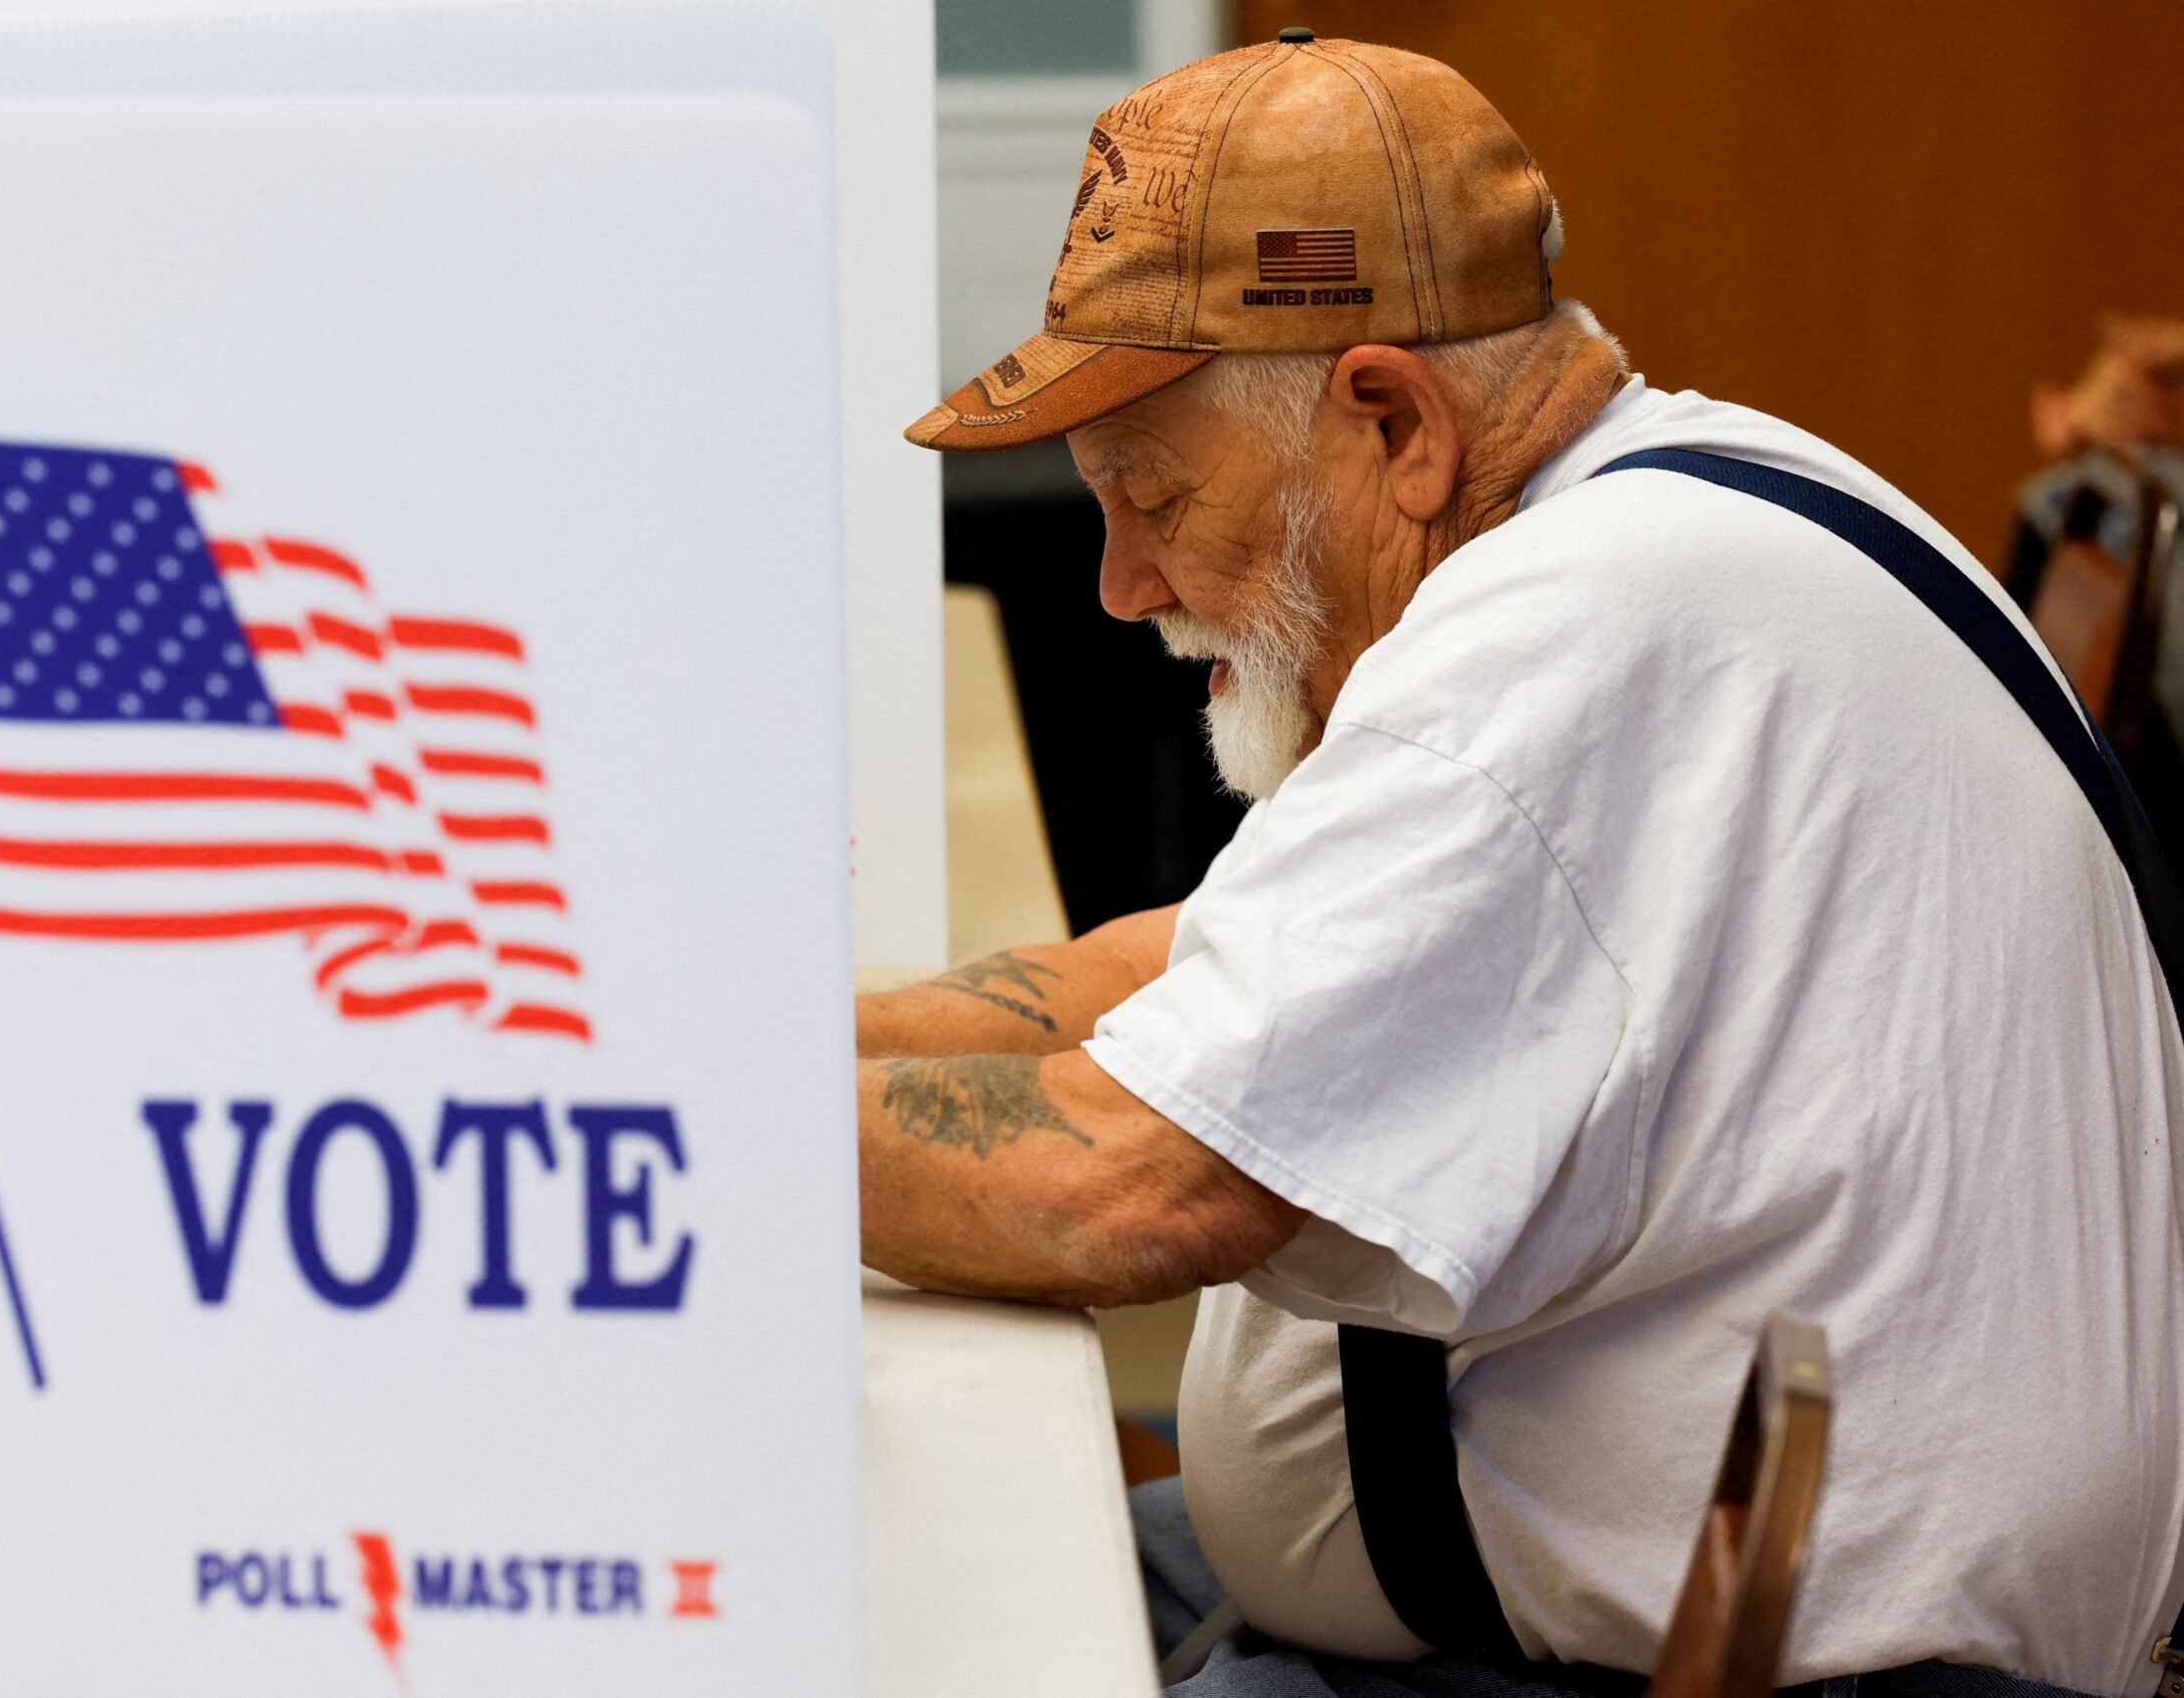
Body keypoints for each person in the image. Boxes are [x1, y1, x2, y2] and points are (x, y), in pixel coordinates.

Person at [862, 31, 2184, 1698]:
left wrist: (669, 1138)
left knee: (888, 1600)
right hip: (1524, 1616)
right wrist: (736, 1043)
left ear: (1390, 422)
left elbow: (1135, 1190)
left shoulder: (1572, 630)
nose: (1122, 583)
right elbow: (1186, 966)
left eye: (1153, 495)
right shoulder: (1675, 508)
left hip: (1767, 1676)